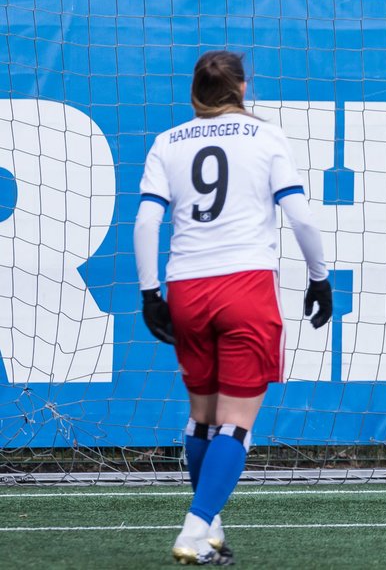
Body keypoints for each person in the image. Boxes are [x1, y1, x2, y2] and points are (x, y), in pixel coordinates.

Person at [135, 50, 332, 565]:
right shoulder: (266, 136)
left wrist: (149, 292)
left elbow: (145, 223)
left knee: (201, 419)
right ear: (244, 90)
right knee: (237, 424)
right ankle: (194, 529)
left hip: (186, 287)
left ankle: (210, 530)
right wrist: (319, 277)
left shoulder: (166, 142)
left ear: (195, 93)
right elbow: (301, 217)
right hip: (244, 286)